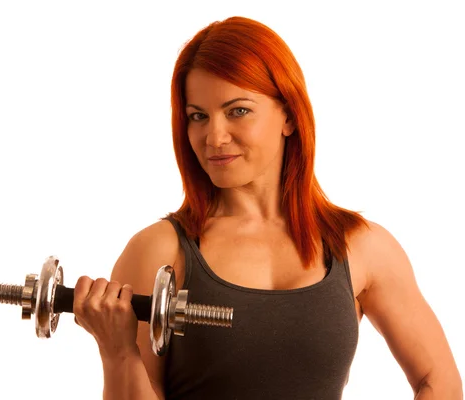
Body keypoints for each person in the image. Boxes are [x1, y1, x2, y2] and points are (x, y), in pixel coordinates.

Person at [71, 16, 462, 399]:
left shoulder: (362, 247)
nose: (214, 136)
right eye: (198, 116)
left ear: (289, 116)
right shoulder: (158, 251)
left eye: (237, 110)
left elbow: (438, 380)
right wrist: (117, 350)